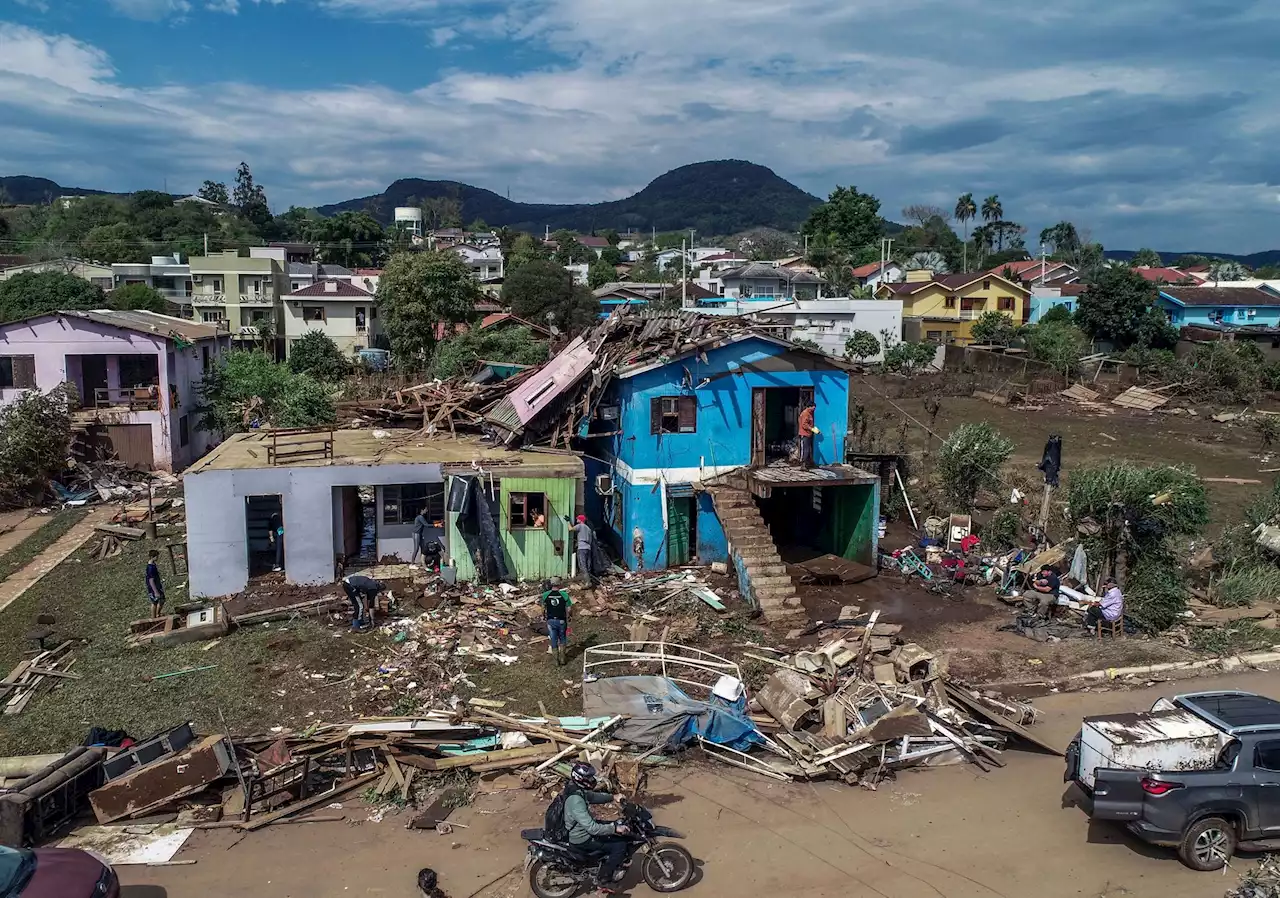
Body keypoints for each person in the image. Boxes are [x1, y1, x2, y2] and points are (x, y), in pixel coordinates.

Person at [562, 762, 629, 893]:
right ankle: (603, 880)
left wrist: (612, 797)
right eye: (589, 778)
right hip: (581, 838)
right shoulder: (576, 800)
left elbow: (592, 797)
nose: (593, 780)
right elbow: (592, 828)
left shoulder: (576, 790)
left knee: (613, 826)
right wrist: (615, 828)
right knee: (619, 845)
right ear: (581, 779)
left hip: (582, 829)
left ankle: (609, 864)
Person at [541, 579, 572, 666]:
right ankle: (562, 659)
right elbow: (569, 609)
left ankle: (556, 661)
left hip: (550, 621)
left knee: (553, 639)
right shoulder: (564, 595)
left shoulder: (545, 595)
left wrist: (543, 616)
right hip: (561, 620)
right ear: (559, 584)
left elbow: (543, 608)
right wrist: (569, 616)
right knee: (562, 638)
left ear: (551, 584)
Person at [573, 515, 595, 585]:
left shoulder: (580, 526)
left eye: (577, 519)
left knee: (582, 565)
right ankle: (587, 581)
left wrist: (568, 522)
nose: (576, 520)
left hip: (582, 548)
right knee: (588, 565)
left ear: (581, 520)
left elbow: (570, 529)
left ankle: (587, 582)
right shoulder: (588, 529)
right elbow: (591, 540)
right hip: (588, 548)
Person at [798, 403, 820, 468]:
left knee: (809, 449)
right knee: (806, 450)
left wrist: (815, 429)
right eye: (813, 408)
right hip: (805, 434)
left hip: (808, 434)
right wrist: (812, 429)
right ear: (809, 407)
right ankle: (803, 465)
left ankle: (808, 463)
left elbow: (809, 423)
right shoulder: (805, 413)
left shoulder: (809, 414)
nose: (814, 410)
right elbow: (804, 424)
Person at [145, 549, 165, 618]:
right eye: (156, 556)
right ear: (152, 557)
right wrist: (155, 592)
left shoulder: (153, 564)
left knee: (161, 600)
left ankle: (157, 614)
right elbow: (151, 580)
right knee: (155, 601)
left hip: (157, 585)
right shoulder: (150, 568)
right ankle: (154, 617)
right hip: (153, 587)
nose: (157, 558)